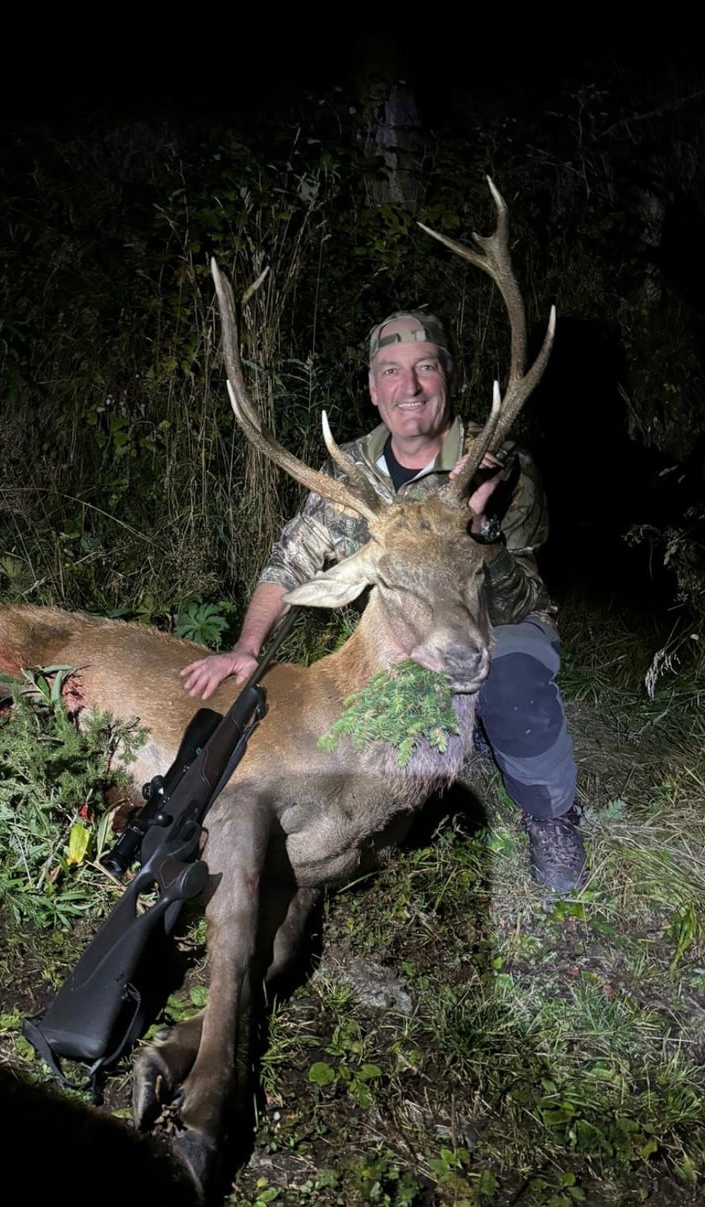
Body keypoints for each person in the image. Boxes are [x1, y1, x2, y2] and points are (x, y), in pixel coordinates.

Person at [181, 311, 587, 893]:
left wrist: (479, 536)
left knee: (512, 682)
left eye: (425, 368)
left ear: (447, 376)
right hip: (400, 630)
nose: (411, 387)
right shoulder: (348, 473)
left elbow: (523, 599)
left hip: (494, 625)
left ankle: (551, 817)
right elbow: (291, 559)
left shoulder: (498, 465)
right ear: (374, 389)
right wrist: (247, 646)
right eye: (392, 372)